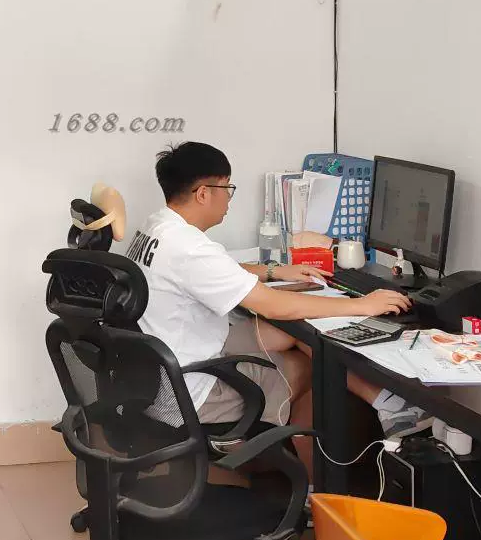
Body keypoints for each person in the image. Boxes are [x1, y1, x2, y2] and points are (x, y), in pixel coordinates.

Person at [125, 142, 410, 442]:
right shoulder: (190, 248)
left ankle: (385, 403)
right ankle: (305, 468)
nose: (229, 199)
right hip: (193, 394)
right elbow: (273, 305)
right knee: (311, 366)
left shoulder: (158, 227)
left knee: (288, 334)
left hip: (170, 368)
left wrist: (274, 271)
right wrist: (362, 305)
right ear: (203, 193)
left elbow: (213, 270)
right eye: (227, 188)